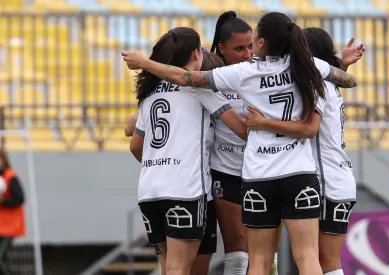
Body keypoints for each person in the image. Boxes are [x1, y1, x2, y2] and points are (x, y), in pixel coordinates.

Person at [122, 12, 357, 275]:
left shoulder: (244, 73)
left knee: (255, 260)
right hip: (296, 174)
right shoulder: (309, 67)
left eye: (253, 39)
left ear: (262, 42)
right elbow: (346, 84)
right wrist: (337, 66)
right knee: (308, 256)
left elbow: (183, 83)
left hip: (255, 176)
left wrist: (145, 63)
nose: (248, 48)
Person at [244, 28, 364, 275]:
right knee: (323, 261)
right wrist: (340, 64)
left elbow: (308, 127)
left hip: (325, 182)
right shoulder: (327, 84)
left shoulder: (314, 85)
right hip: (339, 178)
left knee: (323, 261)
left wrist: (264, 123)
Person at [129, 27, 247, 275]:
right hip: (185, 190)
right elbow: (241, 130)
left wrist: (160, 163)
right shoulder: (200, 89)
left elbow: (136, 145)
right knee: (180, 269)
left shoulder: (150, 93)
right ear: (196, 53)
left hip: (150, 191)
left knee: (167, 268)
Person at [210, 10, 280, 275]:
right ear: (221, 48)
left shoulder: (261, 74)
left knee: (265, 255)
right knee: (238, 251)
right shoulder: (212, 78)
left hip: (261, 172)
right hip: (225, 170)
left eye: (249, 46)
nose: (247, 54)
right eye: (238, 48)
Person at [0, 149, 26, 275]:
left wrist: (2, 201)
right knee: (2, 258)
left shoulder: (10, 177)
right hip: (1, 226)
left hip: (9, 226)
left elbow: (20, 199)